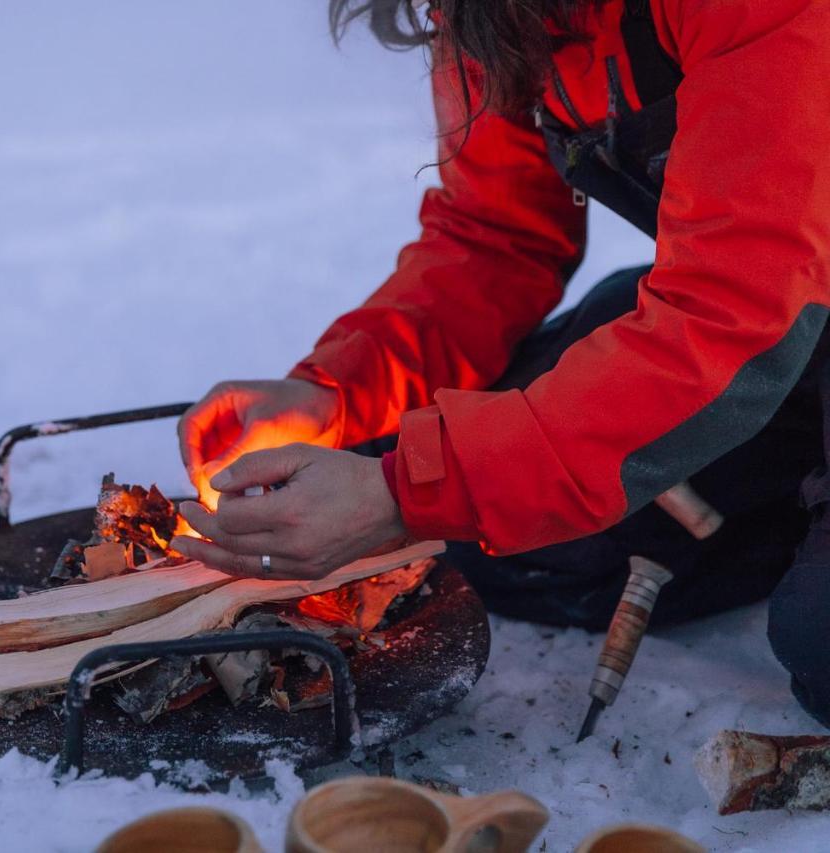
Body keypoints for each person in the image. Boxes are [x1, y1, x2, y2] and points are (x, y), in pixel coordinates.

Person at [168, 0, 830, 727]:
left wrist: (404, 492)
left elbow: (727, 312)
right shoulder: (493, 13)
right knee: (517, 548)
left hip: (763, 309)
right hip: (782, 310)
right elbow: (496, 240)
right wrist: (333, 392)